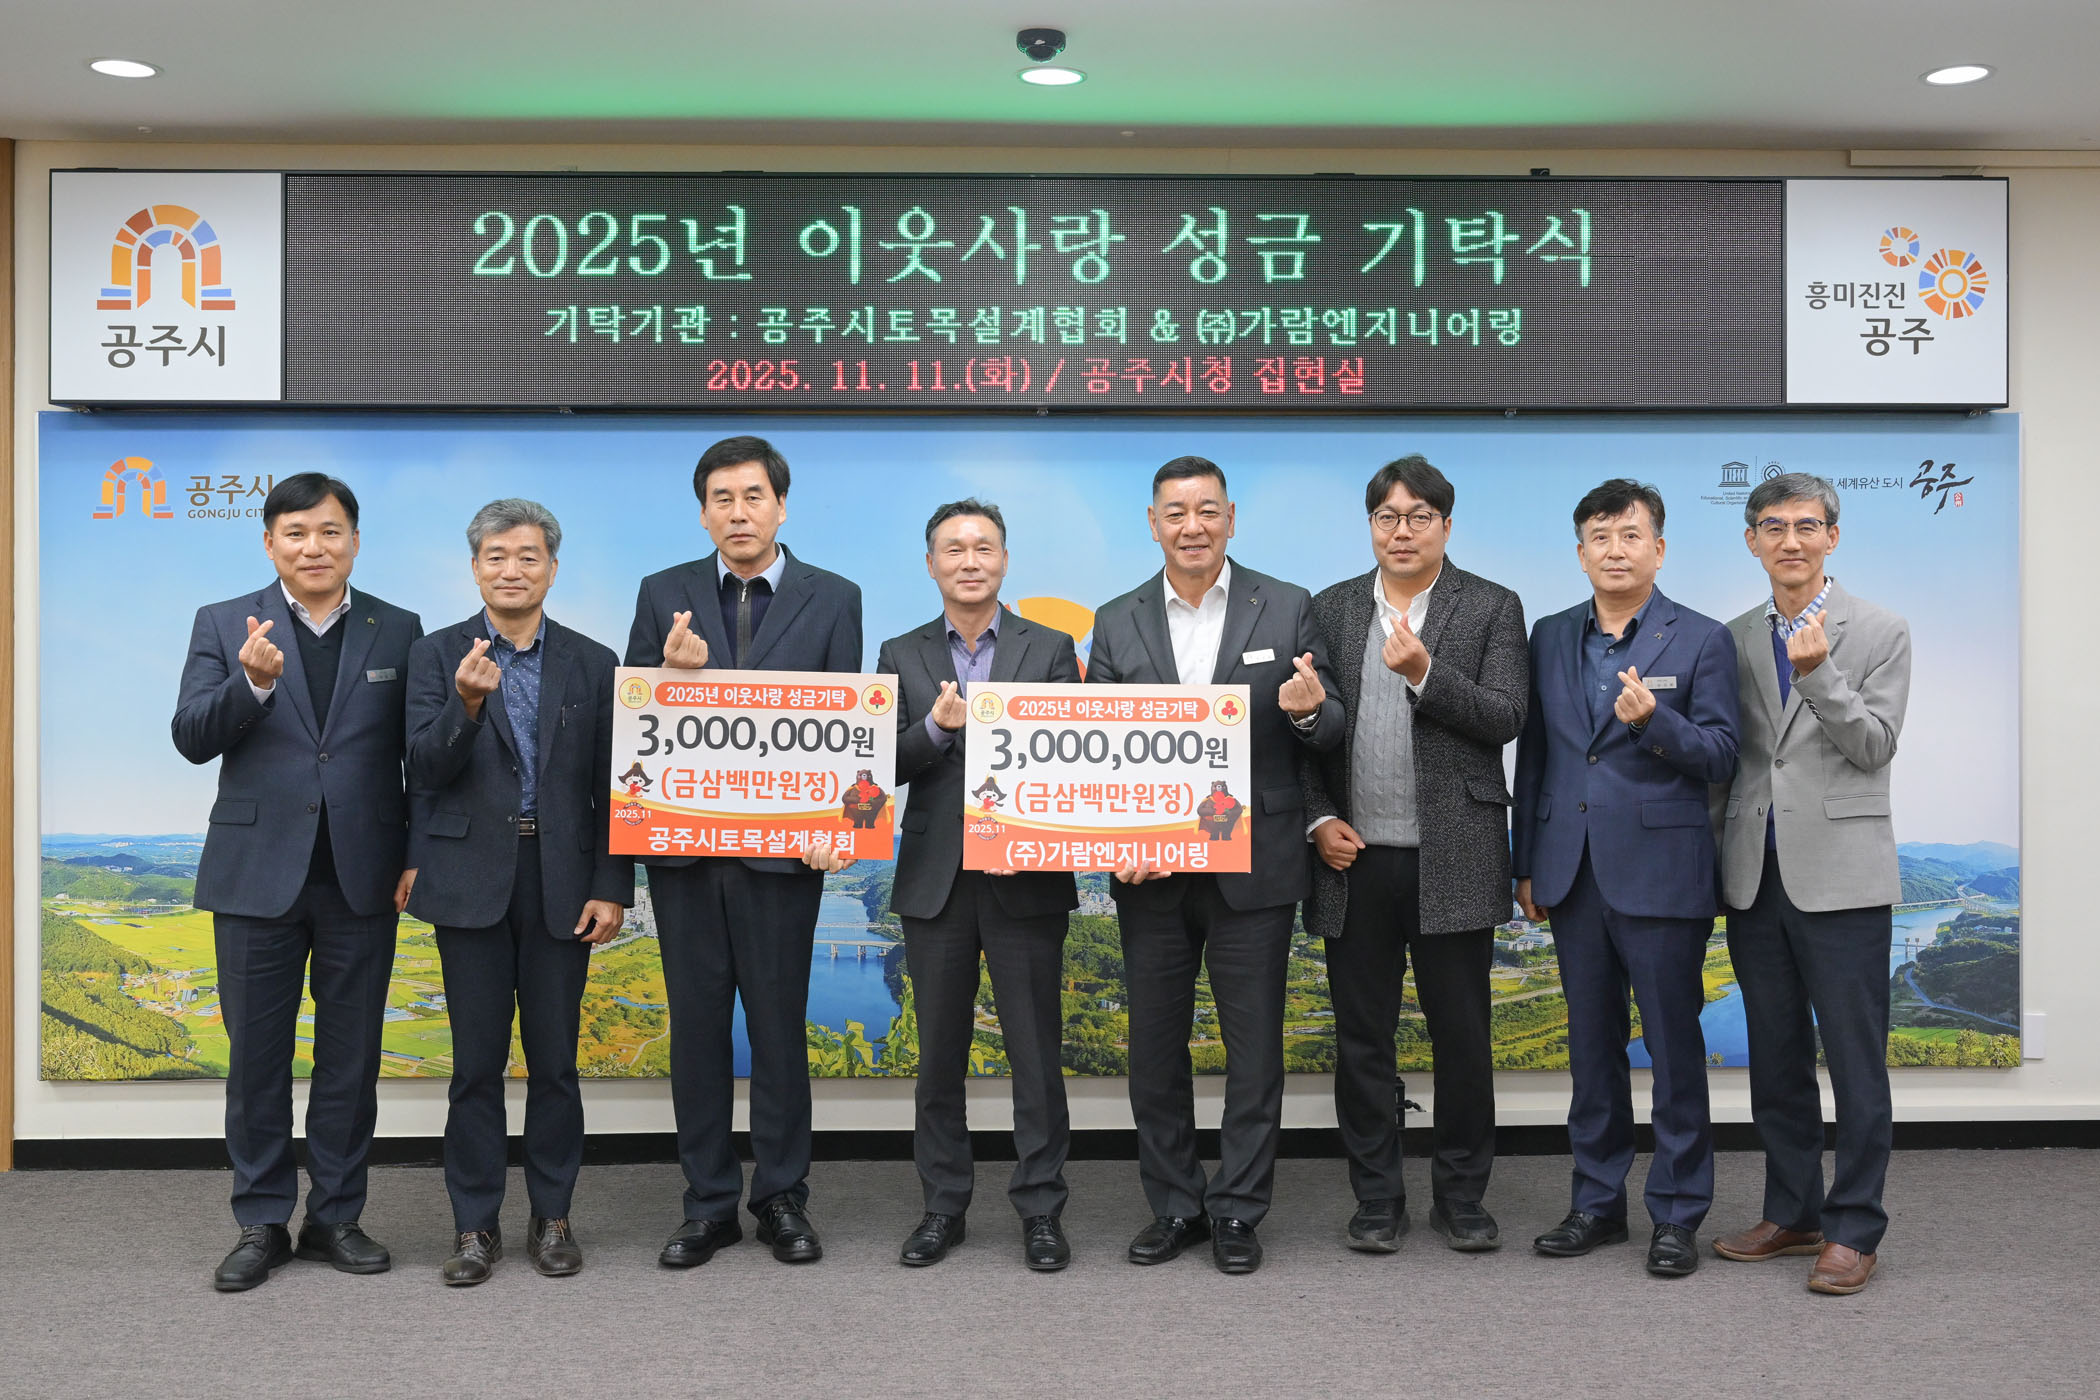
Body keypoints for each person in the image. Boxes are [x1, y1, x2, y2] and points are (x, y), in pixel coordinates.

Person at [1085, 456, 1342, 1274]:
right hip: (1151, 870)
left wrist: (1310, 714)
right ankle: (1173, 1204)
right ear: (1153, 523)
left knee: (1254, 1050)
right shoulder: (1115, 619)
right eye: (1176, 512)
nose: (1192, 526)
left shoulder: (1288, 605)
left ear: (1231, 517)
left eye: (1206, 510)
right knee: (1154, 1049)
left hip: (1254, 864)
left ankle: (1237, 1208)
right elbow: (1098, 750)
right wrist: (1116, 840)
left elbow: (1331, 722)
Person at [171, 472, 422, 1292]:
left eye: (329, 531)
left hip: (363, 876)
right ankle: (261, 1221)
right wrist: (249, 685)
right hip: (255, 877)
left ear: (354, 540)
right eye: (296, 533)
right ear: (270, 542)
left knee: (351, 1059)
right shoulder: (223, 622)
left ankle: (336, 1216)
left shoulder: (398, 628)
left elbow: (417, 758)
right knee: (257, 1062)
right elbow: (190, 737)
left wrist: (416, 853)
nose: (314, 547)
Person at [624, 435, 862, 1267]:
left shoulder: (835, 597)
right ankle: (707, 1204)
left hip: (783, 858)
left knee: (778, 1031)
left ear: (781, 506)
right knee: (695, 1033)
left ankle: (783, 1199)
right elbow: (635, 718)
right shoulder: (664, 592)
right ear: (703, 514)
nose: (738, 512)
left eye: (753, 496)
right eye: (721, 499)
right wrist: (668, 673)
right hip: (684, 854)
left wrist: (840, 828)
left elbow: (846, 725)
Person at [1301, 455, 1529, 1254]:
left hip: (1453, 856)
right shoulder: (1330, 607)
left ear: (1446, 525)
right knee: (1362, 1043)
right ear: (1371, 526)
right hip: (1354, 860)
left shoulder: (1492, 606)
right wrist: (1318, 818)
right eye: (1387, 517)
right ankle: (1376, 1199)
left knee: (1461, 1040)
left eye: (1419, 517)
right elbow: (1306, 732)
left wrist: (1426, 673)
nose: (1402, 531)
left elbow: (1506, 715)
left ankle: (1461, 1197)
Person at [1512, 478, 1739, 1278]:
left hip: (1664, 875)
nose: (1615, 550)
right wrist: (1526, 862)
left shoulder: (1703, 639)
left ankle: (1677, 1214)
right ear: (1580, 553)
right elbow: (1536, 756)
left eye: (1631, 536)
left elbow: (1722, 755)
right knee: (1591, 1049)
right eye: (1600, 538)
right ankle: (1597, 1203)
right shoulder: (1548, 635)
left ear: (1659, 549)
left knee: (1673, 1051)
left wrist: (1655, 723)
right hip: (1570, 872)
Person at [404, 499, 632, 1285]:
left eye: (528, 556)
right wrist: (466, 704)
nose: (512, 570)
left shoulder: (593, 661)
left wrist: (612, 884)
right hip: (469, 881)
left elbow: (614, 785)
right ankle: (474, 1227)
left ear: (552, 569)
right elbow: (423, 771)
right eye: (496, 556)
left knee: (556, 1063)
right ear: (475, 568)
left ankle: (553, 1216)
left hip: (562, 880)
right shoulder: (435, 654)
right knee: (475, 1066)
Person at [858, 498, 1083, 1271]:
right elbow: (878, 763)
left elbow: (1073, 760)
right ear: (931, 565)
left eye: (983, 546)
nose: (969, 560)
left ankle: (1042, 1209)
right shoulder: (900, 651)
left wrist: (1029, 826)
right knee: (939, 1059)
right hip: (936, 882)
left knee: (1035, 1057)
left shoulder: (1050, 648)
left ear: (1004, 560)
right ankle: (942, 1208)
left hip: (1027, 877)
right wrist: (935, 731)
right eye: (953, 549)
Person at [1710, 473, 1911, 1296]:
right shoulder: (1729, 637)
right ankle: (1793, 1213)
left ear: (1832, 535)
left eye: (1805, 525)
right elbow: (1731, 763)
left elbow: (1875, 746)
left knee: (1858, 1063)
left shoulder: (1882, 629)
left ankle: (1854, 1229)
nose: (1789, 540)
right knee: (1777, 1059)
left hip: (1845, 878)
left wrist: (1820, 673)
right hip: (1754, 876)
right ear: (1752, 541)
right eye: (1772, 526)